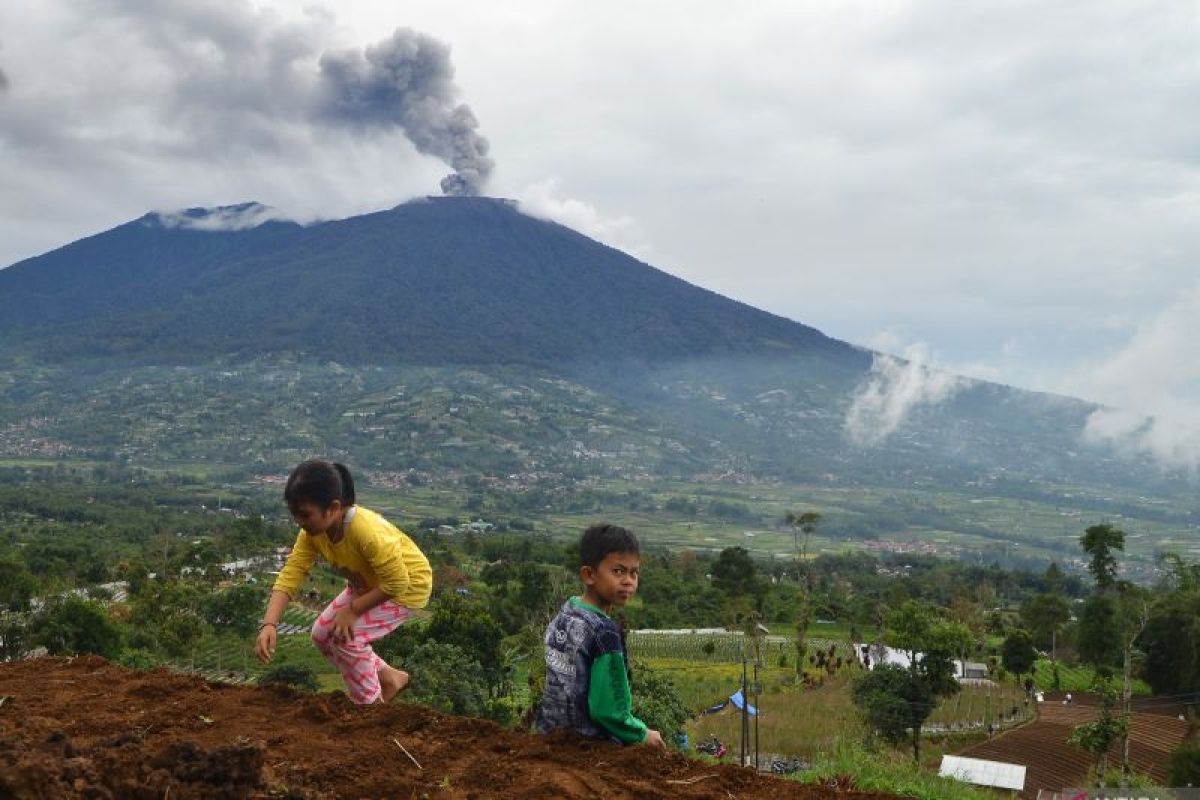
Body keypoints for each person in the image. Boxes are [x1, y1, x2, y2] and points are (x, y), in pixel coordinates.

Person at [255, 459, 432, 705]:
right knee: (321, 634)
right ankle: (389, 678)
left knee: (347, 638)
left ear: (334, 508)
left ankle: (369, 707)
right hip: (369, 585)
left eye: (305, 514)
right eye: (295, 515)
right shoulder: (312, 533)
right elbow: (292, 572)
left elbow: (397, 582)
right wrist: (269, 624)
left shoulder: (365, 531)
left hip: (407, 587)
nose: (299, 522)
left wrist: (353, 610)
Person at [536, 523, 665, 748]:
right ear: (589, 575)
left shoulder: (565, 614)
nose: (628, 581)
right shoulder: (604, 632)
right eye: (618, 571)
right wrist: (641, 734)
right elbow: (608, 710)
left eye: (634, 572)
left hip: (549, 735)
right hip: (588, 744)